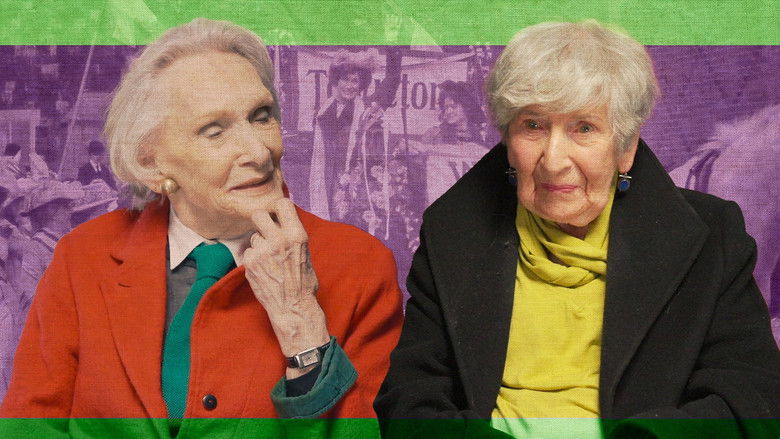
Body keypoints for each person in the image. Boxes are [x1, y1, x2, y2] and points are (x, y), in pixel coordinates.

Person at [374, 20, 780, 439]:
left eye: (584, 128)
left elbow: (753, 402)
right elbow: (409, 404)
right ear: (507, 140)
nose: (553, 161)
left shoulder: (712, 237)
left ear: (626, 148)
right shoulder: (451, 233)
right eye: (533, 126)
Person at [1, 18, 403, 437]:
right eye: (215, 131)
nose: (259, 151)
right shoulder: (83, 256)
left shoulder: (361, 266)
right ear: (152, 163)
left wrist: (300, 320)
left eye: (261, 117)